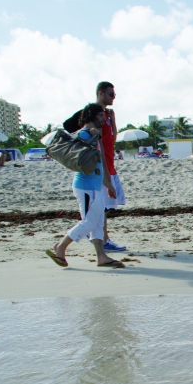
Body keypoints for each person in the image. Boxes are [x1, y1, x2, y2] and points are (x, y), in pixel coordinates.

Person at [45, 104, 124, 270]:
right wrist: (92, 139)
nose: (104, 119)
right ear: (92, 117)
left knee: (98, 221)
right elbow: (82, 159)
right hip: (85, 186)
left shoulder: (95, 135)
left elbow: (100, 162)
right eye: (101, 116)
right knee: (88, 223)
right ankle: (61, 247)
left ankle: (101, 256)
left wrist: (108, 184)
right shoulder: (84, 134)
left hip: (96, 185)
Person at [95, 82, 126, 252]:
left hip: (109, 163)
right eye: (111, 94)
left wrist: (113, 119)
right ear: (101, 94)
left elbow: (113, 138)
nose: (113, 97)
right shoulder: (96, 115)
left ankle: (98, 234)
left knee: (105, 205)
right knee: (102, 205)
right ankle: (101, 237)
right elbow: (97, 142)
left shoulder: (106, 115)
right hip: (102, 166)